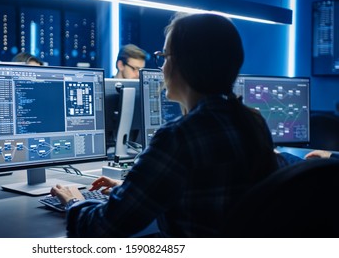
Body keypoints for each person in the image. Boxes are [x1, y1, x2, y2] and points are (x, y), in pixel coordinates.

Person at [51, 13, 279, 237]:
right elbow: (206, 189)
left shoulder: (179, 136)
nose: (161, 68)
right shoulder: (253, 121)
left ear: (185, 64)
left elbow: (101, 228)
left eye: (165, 57)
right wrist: (130, 187)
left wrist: (74, 200)